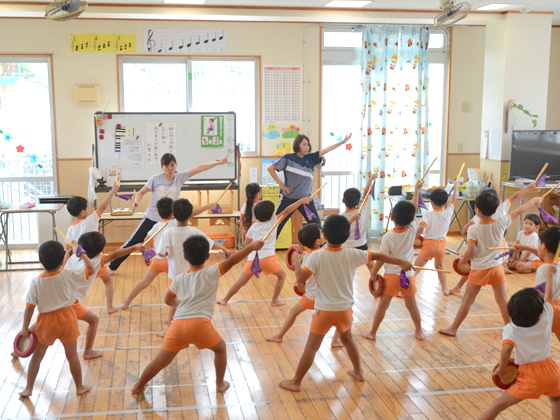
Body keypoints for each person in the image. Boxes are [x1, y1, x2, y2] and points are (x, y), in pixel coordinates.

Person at [278, 215, 413, 392]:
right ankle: (359, 372)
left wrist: (297, 263)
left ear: (324, 236)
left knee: (312, 346)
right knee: (347, 339)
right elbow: (380, 255)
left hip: (324, 311)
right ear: (347, 235)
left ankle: (295, 382)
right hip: (345, 310)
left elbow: (300, 280)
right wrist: (402, 261)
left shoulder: (316, 256)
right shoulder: (353, 254)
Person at [131, 236, 265, 395]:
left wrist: (180, 303)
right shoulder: (212, 272)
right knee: (221, 349)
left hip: (178, 325)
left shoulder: (179, 278)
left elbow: (168, 300)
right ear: (208, 256)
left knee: (161, 361)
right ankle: (220, 384)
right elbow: (233, 260)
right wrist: (251, 247)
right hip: (200, 325)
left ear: (185, 257)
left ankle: (139, 386)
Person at [439, 194, 543, 337]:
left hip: (480, 269)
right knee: (502, 301)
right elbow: (519, 210)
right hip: (497, 268)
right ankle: (510, 329)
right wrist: (534, 200)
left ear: (477, 210)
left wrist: (463, 260)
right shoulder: (501, 222)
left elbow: (470, 251)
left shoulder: (473, 229)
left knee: (467, 301)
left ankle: (453, 328)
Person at [108, 152, 228, 273]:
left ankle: (177, 267)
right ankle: (112, 266)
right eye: (166, 166)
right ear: (162, 167)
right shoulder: (155, 179)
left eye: (172, 165)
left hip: (170, 218)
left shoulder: (179, 177)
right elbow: (141, 192)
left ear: (176, 165)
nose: (170, 168)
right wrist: (136, 202)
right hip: (152, 217)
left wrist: (219, 163)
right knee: (133, 241)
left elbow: (200, 168)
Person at [17, 241, 95, 397]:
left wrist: (25, 328)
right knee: (72, 355)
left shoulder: (36, 282)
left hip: (46, 322)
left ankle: (29, 389)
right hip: (67, 318)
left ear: (40, 261)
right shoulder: (68, 275)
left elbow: (29, 308)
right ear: (62, 261)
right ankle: (79, 387)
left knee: (37, 356)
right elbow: (91, 270)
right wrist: (82, 254)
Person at [477, 287, 560, 420]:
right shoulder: (546, 319)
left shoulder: (511, 329)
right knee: (556, 401)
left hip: (532, 377)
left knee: (497, 405)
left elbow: (506, 349)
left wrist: (502, 368)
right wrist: (550, 275)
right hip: (552, 371)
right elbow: (547, 300)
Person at [121, 197, 219, 310]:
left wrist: (148, 256)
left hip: (157, 261)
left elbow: (146, 242)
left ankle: (126, 302)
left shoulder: (156, 226)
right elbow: (191, 213)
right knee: (177, 289)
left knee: (144, 283)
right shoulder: (175, 222)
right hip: (171, 262)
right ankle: (185, 307)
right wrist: (208, 206)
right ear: (173, 213)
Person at [217, 197, 312, 308]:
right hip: (268, 258)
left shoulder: (253, 227)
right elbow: (287, 210)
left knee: (241, 282)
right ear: (271, 214)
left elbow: (246, 244)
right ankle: (275, 300)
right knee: (282, 276)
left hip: (253, 259)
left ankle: (225, 299)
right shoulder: (274, 220)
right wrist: (301, 201)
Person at [63, 232, 144, 358]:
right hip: (69, 302)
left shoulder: (74, 257)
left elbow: (64, 270)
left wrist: (67, 255)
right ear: (98, 252)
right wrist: (134, 248)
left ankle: (24, 338)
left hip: (62, 295)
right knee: (94, 320)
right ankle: (88, 351)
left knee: (43, 325)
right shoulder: (95, 262)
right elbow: (115, 254)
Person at [156, 198, 229, 337]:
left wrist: (164, 253)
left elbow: (160, 253)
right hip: (194, 275)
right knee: (194, 302)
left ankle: (169, 330)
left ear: (173, 214)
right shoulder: (194, 231)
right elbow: (211, 244)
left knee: (174, 304)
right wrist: (224, 249)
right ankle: (197, 327)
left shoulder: (168, 233)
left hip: (175, 276)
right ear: (191, 216)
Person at [363, 179, 425, 342]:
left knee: (383, 306)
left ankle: (373, 333)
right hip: (409, 276)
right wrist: (417, 190)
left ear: (392, 218)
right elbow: (413, 208)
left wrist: (373, 273)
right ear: (412, 218)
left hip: (391, 276)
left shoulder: (389, 237)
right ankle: (419, 331)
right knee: (412, 306)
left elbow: (382, 259)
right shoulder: (412, 229)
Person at [450, 183, 537, 294]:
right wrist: (529, 188)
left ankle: (459, 286)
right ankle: (501, 282)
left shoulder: (478, 215)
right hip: (498, 243)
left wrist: (470, 239)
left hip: (482, 248)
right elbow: (515, 198)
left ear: (478, 208)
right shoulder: (501, 209)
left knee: (475, 267)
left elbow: (464, 230)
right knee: (495, 266)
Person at [267, 223, 341, 347]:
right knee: (340, 316)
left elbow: (300, 279)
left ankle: (279, 336)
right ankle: (335, 340)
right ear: (318, 241)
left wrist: (297, 261)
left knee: (293, 312)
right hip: (327, 296)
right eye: (322, 232)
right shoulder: (326, 252)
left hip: (311, 296)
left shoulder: (307, 258)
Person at [266, 133, 352, 235]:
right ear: (297, 145)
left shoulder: (311, 158)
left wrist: (342, 143)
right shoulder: (288, 158)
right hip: (288, 199)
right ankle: (267, 248)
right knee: (276, 226)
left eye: (308, 145)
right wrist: (281, 185)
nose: (307, 147)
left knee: (317, 226)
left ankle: (322, 248)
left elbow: (326, 150)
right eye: (304, 144)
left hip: (305, 200)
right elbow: (270, 168)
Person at [65, 182, 119, 314]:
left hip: (79, 264)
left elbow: (68, 249)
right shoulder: (90, 220)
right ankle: (110, 307)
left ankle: (69, 305)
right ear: (83, 212)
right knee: (108, 281)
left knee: (76, 288)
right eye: (87, 209)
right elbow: (103, 206)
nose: (89, 211)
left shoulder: (70, 229)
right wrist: (112, 192)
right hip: (94, 261)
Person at [413, 180, 458, 296]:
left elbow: (421, 227)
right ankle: (445, 289)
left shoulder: (428, 214)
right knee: (440, 267)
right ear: (446, 202)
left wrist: (414, 238)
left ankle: (406, 289)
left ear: (431, 202)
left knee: (416, 268)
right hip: (442, 245)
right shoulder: (448, 212)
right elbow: (454, 200)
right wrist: (456, 186)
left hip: (429, 245)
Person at [341, 172, 378, 271]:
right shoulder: (362, 207)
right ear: (358, 202)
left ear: (342, 201)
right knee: (372, 267)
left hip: (345, 246)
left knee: (346, 269)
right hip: (361, 245)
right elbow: (366, 193)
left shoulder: (340, 217)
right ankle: (376, 282)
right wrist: (370, 179)